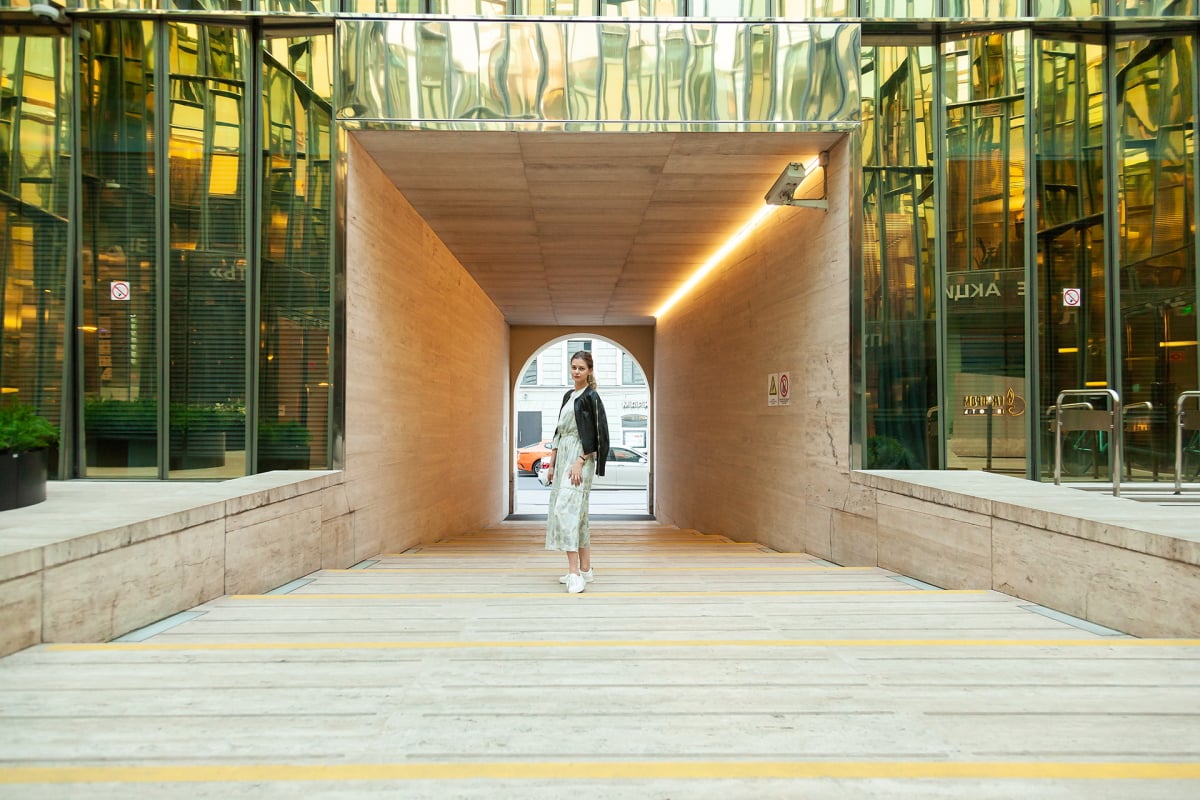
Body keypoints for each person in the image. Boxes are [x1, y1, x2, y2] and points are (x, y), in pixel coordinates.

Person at [545, 350, 610, 594]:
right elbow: (558, 431)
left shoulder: (591, 397)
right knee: (578, 514)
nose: (576, 372)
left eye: (581, 368)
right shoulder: (568, 395)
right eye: (574, 367)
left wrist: (580, 460)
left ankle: (574, 574)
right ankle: (585, 569)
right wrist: (552, 463)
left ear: (590, 371)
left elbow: (598, 432)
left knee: (567, 511)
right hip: (564, 456)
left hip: (580, 459)